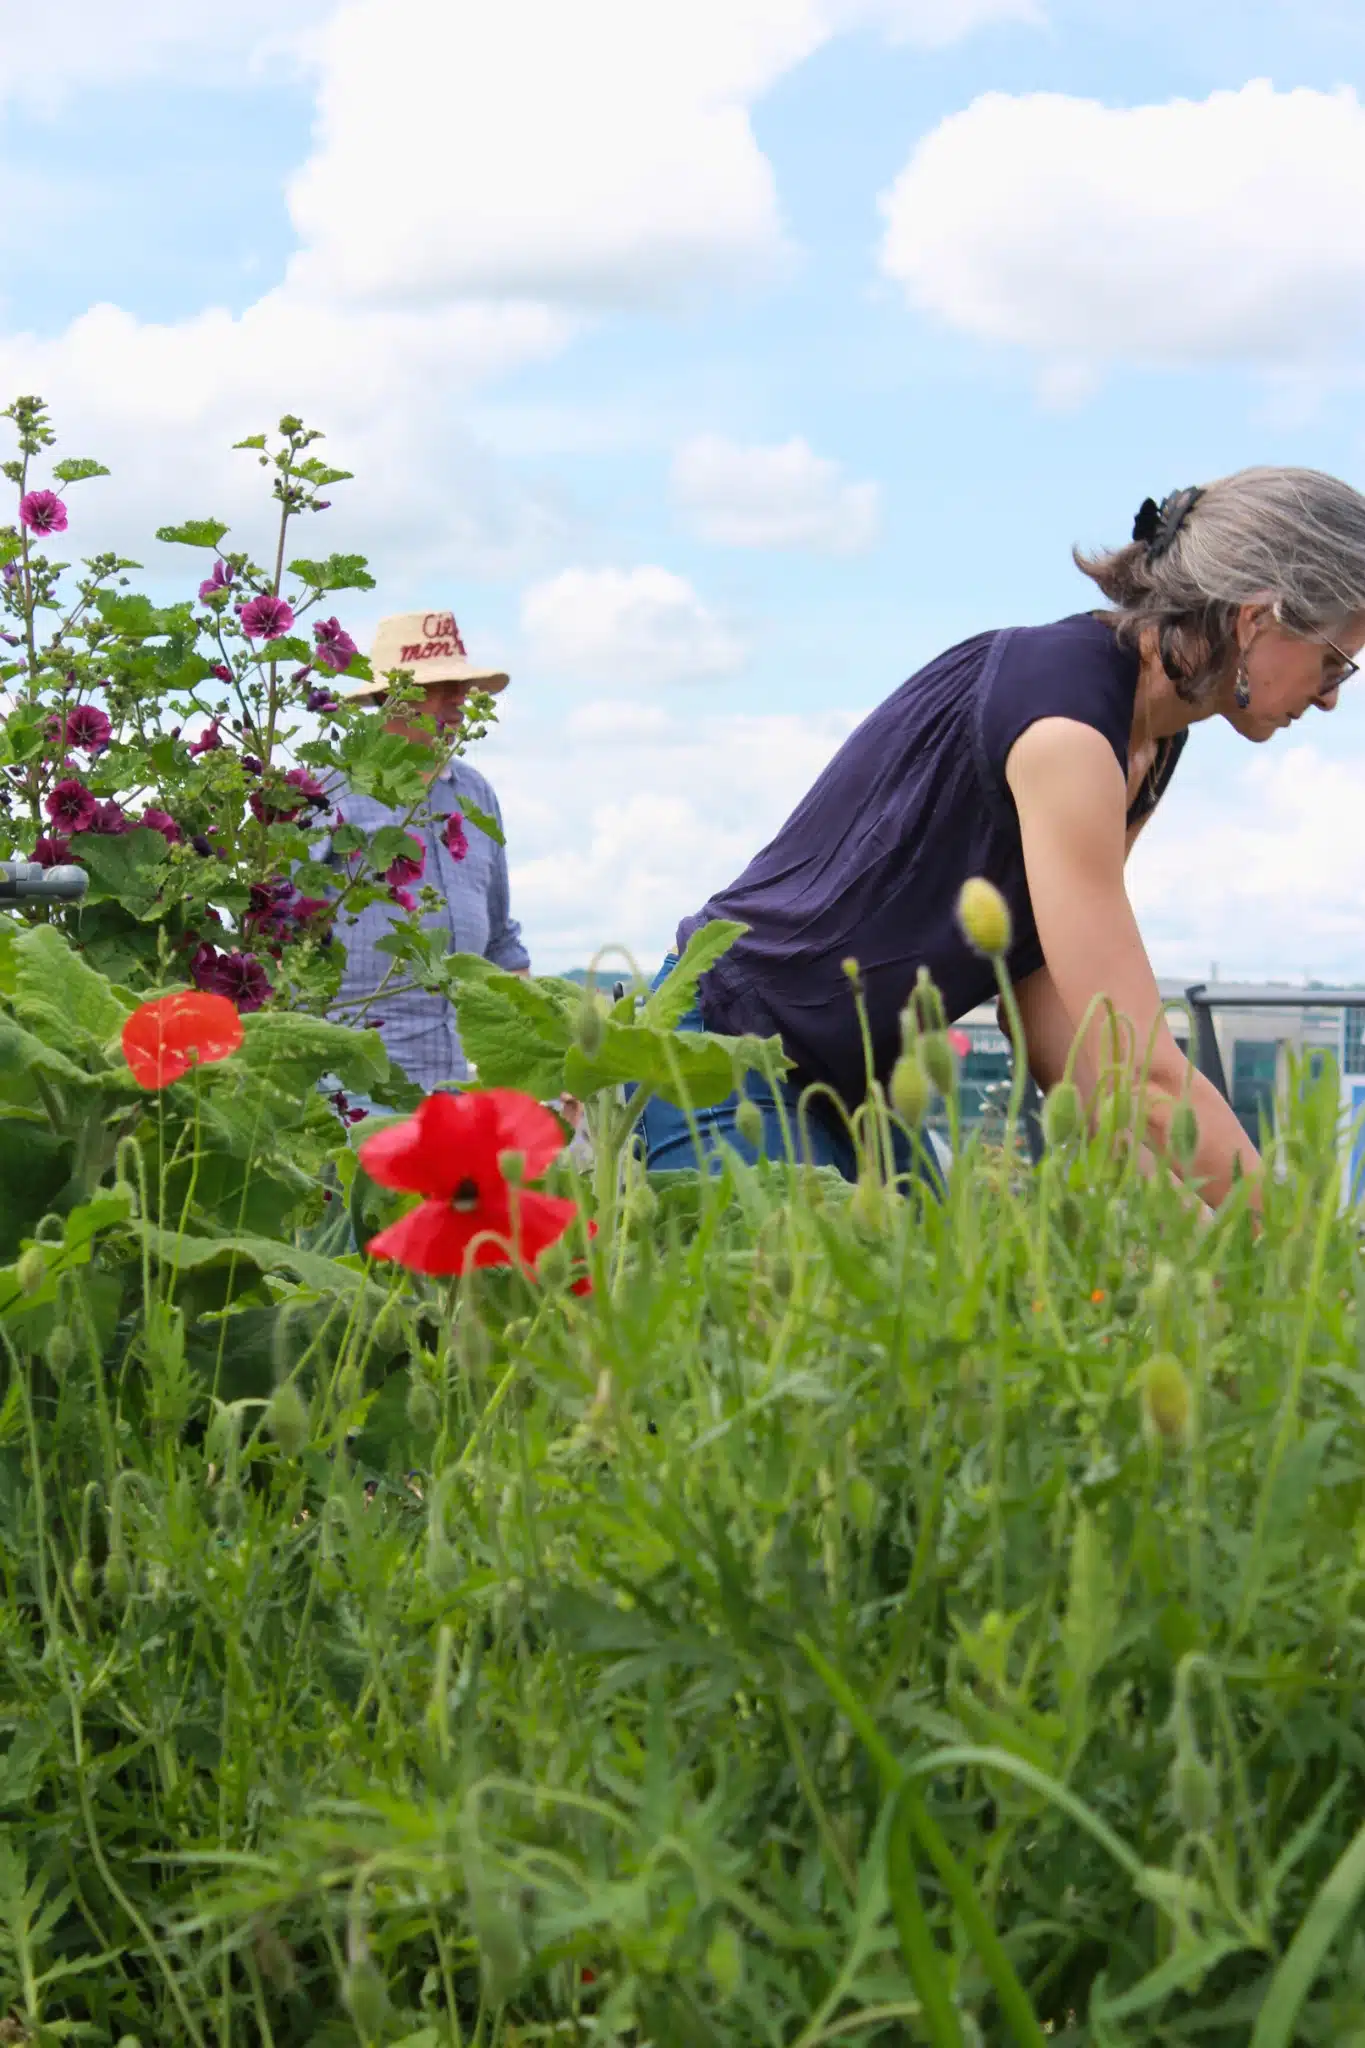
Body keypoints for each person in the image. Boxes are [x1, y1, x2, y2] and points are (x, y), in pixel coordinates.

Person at [640, 468, 1365, 1209]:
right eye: (1334, 660)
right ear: (1256, 620)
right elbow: (1139, 1072)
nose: (1334, 696)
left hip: (851, 1082)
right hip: (724, 1051)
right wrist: (1303, 1252)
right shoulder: (1067, 730)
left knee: (933, 1308)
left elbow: (1061, 1033)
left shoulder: (1142, 739)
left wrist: (1176, 1228)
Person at [317, 609, 529, 1115]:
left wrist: (532, 1060)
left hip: (458, 1090)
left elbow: (501, 946)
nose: (458, 700)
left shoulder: (475, 794)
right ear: (392, 698)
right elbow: (272, 929)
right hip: (353, 1092)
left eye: (461, 685)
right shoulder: (329, 790)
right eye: (441, 687)